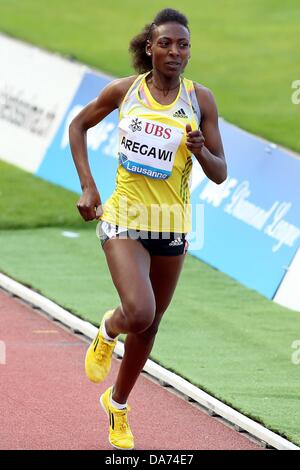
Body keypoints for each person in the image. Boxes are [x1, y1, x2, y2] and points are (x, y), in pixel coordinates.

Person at [69, 8, 227, 450]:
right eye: (166, 44)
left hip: (172, 225)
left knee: (152, 324)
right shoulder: (125, 91)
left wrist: (200, 151)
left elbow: (220, 173)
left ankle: (117, 405)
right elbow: (78, 125)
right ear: (149, 48)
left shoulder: (201, 101)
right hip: (123, 218)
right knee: (138, 311)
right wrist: (87, 186)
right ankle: (108, 328)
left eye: (183, 45)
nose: (175, 52)